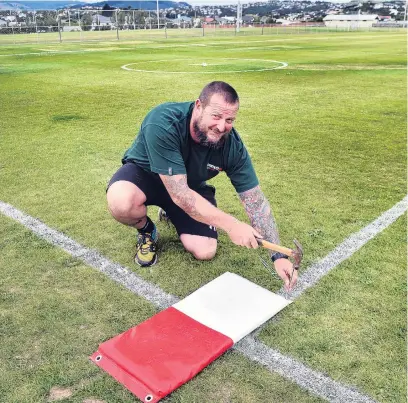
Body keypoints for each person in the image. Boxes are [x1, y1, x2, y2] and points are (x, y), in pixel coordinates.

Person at [107, 81, 297, 291]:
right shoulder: (163, 121)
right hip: (146, 176)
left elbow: (256, 202)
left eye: (229, 119)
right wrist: (232, 225)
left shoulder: (232, 146)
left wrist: (278, 256)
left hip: (190, 187)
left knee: (205, 251)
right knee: (121, 202)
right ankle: (146, 230)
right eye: (216, 116)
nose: (222, 126)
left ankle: (170, 212)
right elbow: (180, 195)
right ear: (199, 106)